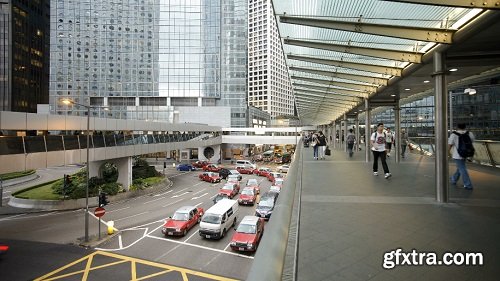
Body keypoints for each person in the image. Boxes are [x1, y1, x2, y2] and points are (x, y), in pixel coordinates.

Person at [448, 123, 475, 190]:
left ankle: (468, 184)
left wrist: (447, 153)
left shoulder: (454, 134)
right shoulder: (470, 133)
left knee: (462, 168)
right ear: (465, 127)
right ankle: (454, 179)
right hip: (467, 153)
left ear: (457, 127)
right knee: (460, 167)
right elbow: (472, 141)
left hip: (457, 155)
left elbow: (450, 145)